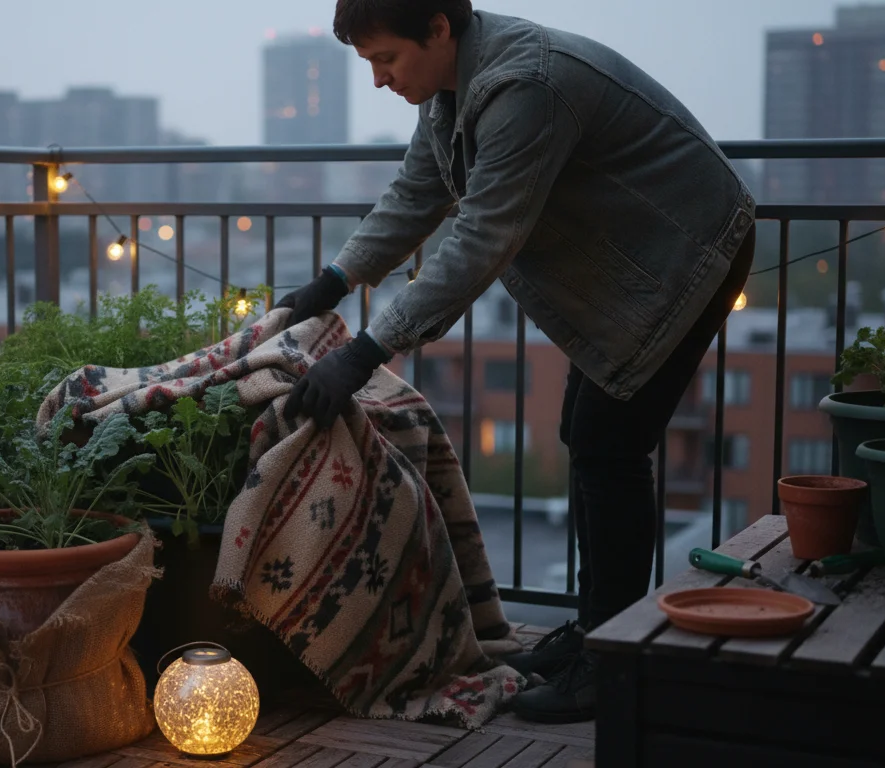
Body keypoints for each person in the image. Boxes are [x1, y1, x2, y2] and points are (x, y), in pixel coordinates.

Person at [277, 0, 756, 724]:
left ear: (438, 28)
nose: (377, 80)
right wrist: (333, 282)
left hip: (686, 250)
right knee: (589, 436)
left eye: (385, 59)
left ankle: (611, 663)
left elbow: (480, 238)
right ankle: (595, 638)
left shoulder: (525, 86)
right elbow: (417, 193)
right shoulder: (448, 89)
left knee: (608, 445)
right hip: (632, 262)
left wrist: (366, 351)